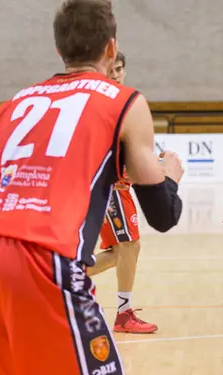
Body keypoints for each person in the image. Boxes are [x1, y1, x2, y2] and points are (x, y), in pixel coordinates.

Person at [0, 1, 184, 375]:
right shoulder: (126, 101)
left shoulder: (12, 104)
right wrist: (171, 175)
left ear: (59, 52)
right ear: (112, 48)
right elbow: (163, 215)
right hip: (43, 256)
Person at [87, 51, 158, 334]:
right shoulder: (102, 103)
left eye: (119, 69)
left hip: (120, 184)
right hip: (112, 185)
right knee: (130, 246)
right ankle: (124, 314)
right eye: (110, 69)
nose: (115, 73)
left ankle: (59, 281)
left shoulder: (127, 102)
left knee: (119, 253)